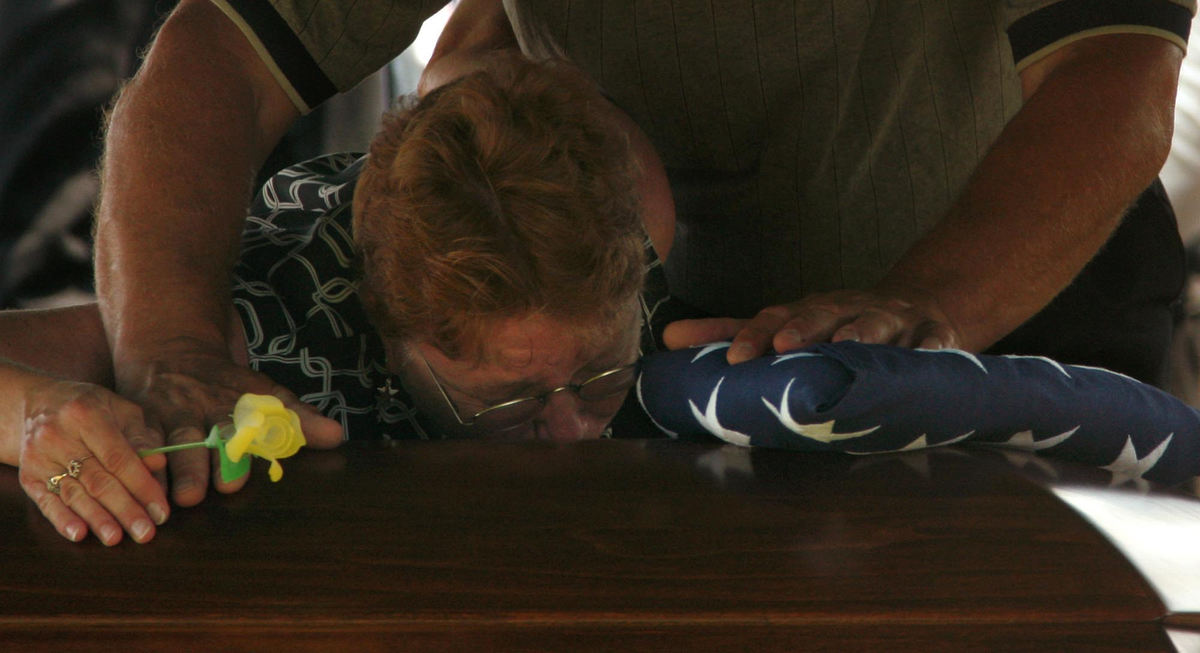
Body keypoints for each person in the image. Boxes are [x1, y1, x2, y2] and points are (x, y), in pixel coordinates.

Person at [95, 1, 1192, 506]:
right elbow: (221, 51)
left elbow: (1116, 80)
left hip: (1020, 291)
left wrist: (930, 306)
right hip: (657, 340)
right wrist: (174, 341)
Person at [1, 55, 675, 544]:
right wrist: (31, 412)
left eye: (598, 378)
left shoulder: (635, 216)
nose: (571, 433)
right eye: (512, 404)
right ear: (389, 332)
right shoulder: (270, 328)